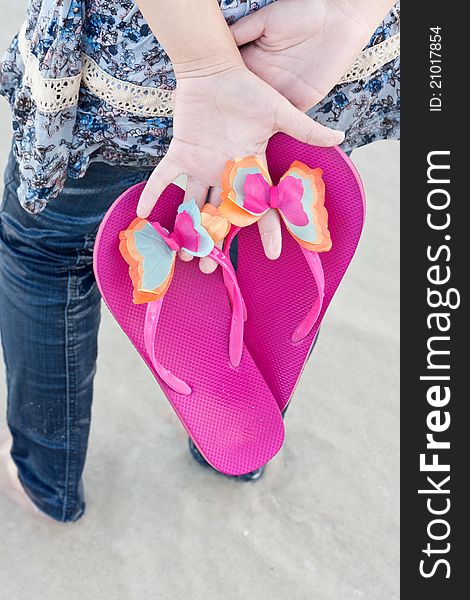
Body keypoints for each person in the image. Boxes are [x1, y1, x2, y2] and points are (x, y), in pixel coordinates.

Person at [0, 0, 400, 522]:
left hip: (140, 64)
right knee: (259, 239)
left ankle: (46, 485)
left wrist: (206, 63)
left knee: (47, 254)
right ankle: (235, 454)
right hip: (309, 51)